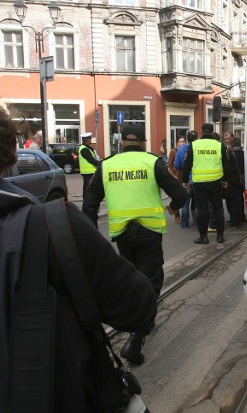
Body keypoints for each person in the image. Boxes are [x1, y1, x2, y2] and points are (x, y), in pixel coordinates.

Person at [0, 107, 157, 411]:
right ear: (11, 153)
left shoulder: (104, 161)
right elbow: (139, 307)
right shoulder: (48, 227)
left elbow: (94, 193)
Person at [82, 124, 186, 365]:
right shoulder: (152, 162)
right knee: (151, 281)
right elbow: (179, 193)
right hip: (149, 232)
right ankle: (136, 336)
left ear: (120, 142)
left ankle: (140, 321)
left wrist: (91, 234)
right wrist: (174, 207)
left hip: (122, 234)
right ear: (142, 141)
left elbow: (89, 204)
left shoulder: (106, 165)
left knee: (131, 279)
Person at [182, 123, 230, 244]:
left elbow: (187, 164)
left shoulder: (194, 145)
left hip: (199, 182)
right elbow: (226, 165)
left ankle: (203, 237)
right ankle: (220, 236)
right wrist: (225, 180)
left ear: (202, 131)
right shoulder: (220, 145)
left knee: (202, 209)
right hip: (216, 181)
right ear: (212, 132)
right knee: (218, 208)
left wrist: (185, 181)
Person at [175, 130, 197, 228]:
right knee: (197, 203)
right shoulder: (198, 148)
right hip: (197, 179)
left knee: (185, 203)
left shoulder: (181, 149)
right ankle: (197, 222)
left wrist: (183, 170)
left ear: (187, 139)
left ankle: (184, 223)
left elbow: (177, 165)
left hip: (186, 180)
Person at [225, 136, 246, 227]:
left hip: (232, 180)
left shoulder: (228, 154)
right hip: (241, 179)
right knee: (239, 199)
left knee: (232, 200)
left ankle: (234, 220)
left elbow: (227, 168)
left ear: (231, 144)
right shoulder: (244, 153)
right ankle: (241, 217)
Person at [168, 136, 185, 224]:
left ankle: (185, 217)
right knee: (176, 197)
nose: (182, 143)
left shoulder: (186, 151)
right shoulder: (173, 151)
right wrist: (172, 174)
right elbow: (169, 164)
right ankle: (177, 216)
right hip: (176, 177)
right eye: (180, 141)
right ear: (177, 143)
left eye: (183, 141)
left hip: (184, 177)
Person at [79, 132, 100, 200]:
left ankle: (87, 203)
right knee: (88, 189)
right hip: (88, 172)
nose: (91, 140)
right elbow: (91, 160)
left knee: (89, 188)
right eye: (90, 139)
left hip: (89, 172)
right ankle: (87, 204)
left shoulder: (88, 148)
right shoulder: (84, 149)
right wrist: (100, 163)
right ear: (86, 140)